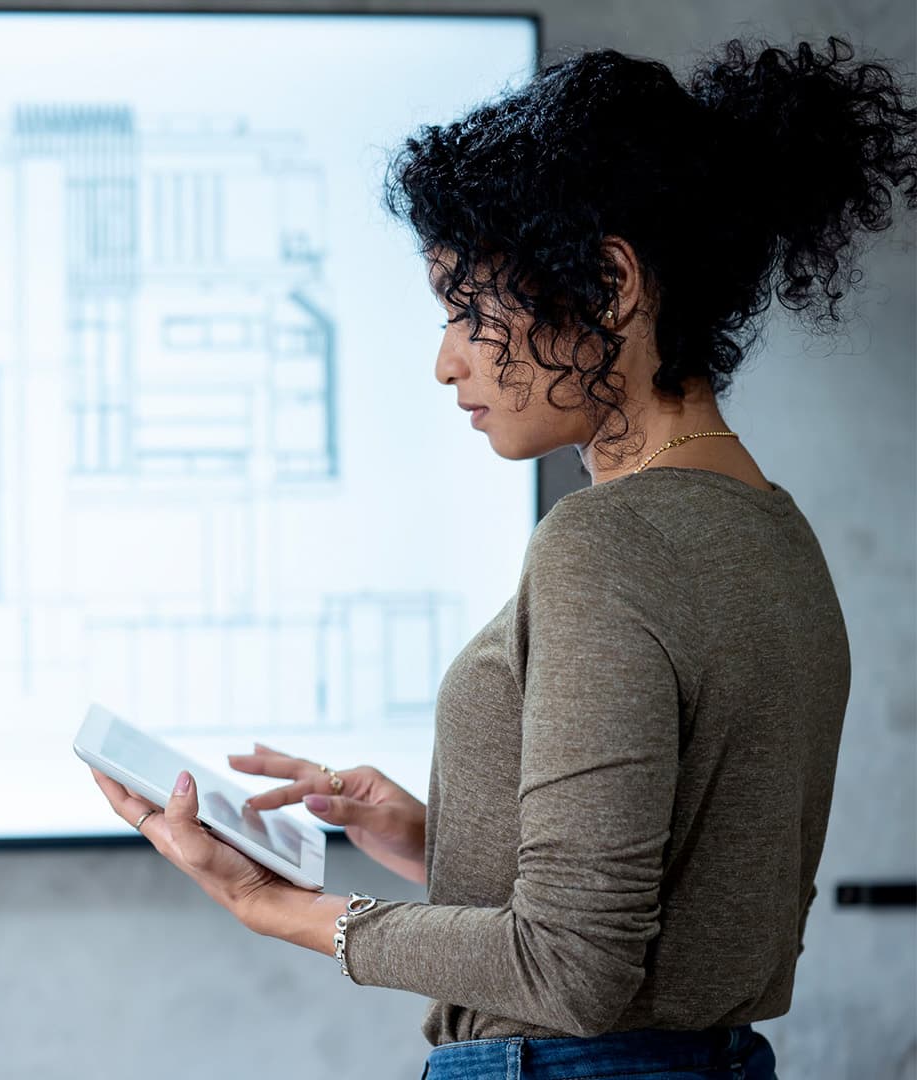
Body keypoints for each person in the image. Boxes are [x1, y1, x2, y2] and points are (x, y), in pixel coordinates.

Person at [89, 34, 915, 1080]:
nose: (446, 363)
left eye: (463, 308)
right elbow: (667, 914)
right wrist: (433, 838)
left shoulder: (607, 541)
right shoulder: (771, 528)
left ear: (610, 284)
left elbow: (572, 972)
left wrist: (278, 907)